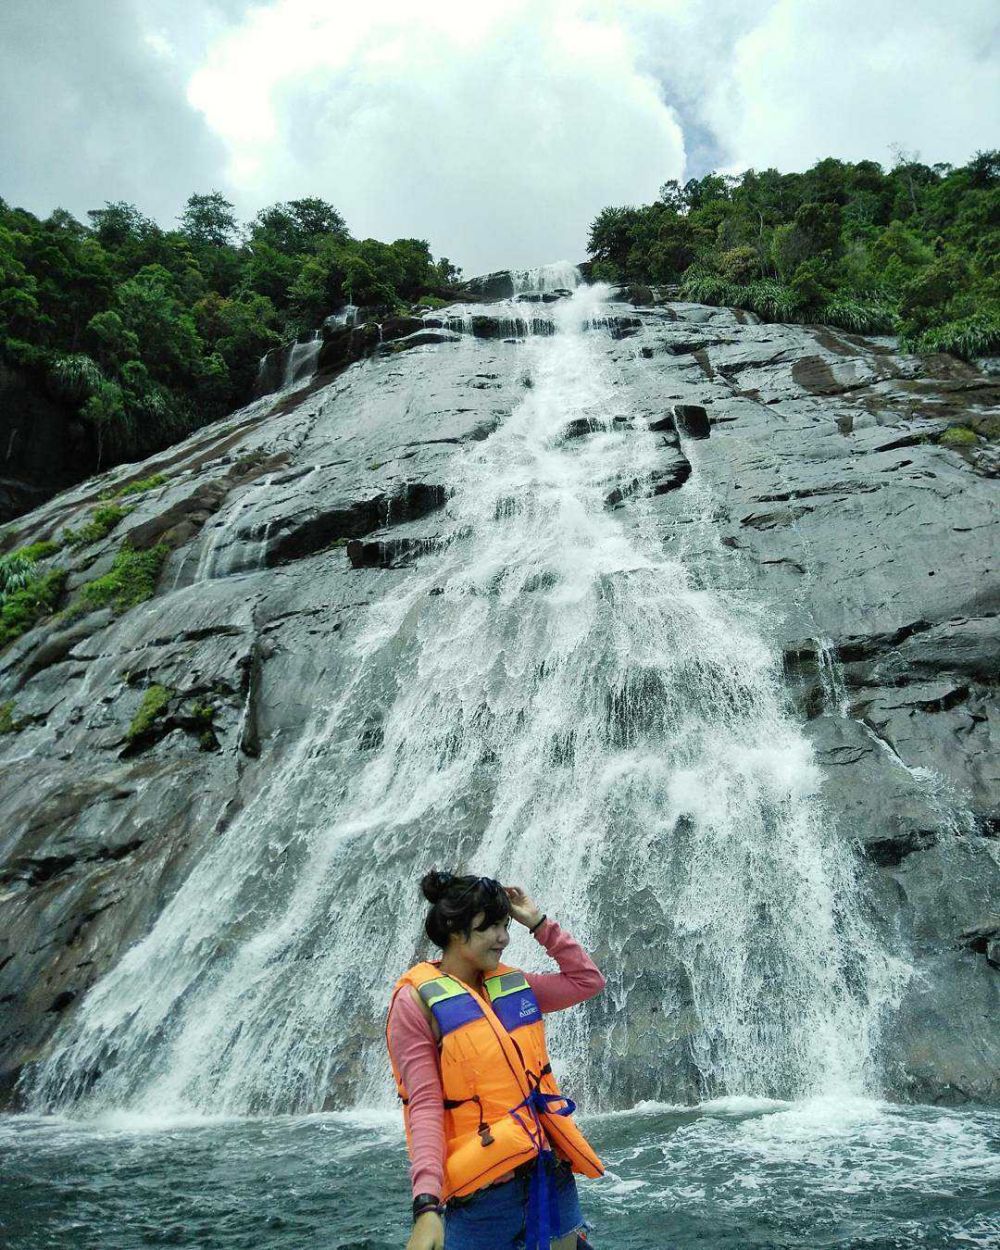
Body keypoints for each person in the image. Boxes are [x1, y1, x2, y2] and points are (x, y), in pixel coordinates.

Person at [385, 871, 606, 1250]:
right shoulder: (416, 1005)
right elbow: (423, 1108)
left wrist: (537, 922)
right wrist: (427, 1205)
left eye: (506, 926)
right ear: (455, 930)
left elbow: (587, 981)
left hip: (548, 1177)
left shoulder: (514, 984)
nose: (504, 937)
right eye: (491, 927)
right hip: (482, 1199)